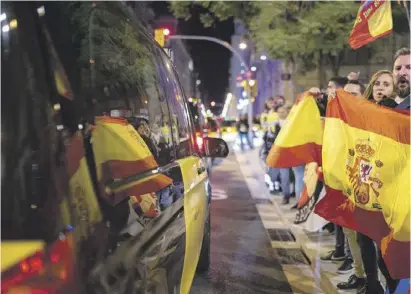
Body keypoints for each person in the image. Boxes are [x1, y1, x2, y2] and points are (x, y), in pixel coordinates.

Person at [336, 80, 367, 291]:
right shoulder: (337, 120)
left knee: (367, 236)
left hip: (368, 186)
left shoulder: (370, 117)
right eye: (345, 94)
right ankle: (360, 274)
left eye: (354, 94)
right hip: (346, 182)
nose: (349, 98)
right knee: (350, 232)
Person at [267, 105, 291, 204]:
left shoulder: (291, 124)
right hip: (277, 153)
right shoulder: (274, 125)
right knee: (277, 174)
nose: (281, 113)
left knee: (286, 175)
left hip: (288, 152)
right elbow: (269, 138)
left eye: (283, 111)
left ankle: (287, 194)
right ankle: (282, 193)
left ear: (287, 112)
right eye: (279, 112)